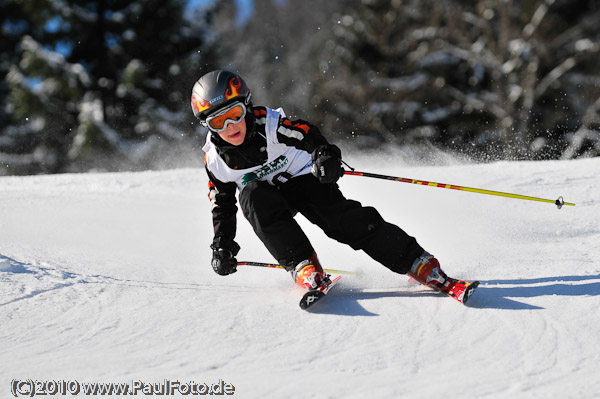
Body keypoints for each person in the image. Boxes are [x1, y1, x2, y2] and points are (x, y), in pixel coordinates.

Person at [192, 70, 453, 292]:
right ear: (208, 125)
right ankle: (303, 265)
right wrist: (222, 245)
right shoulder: (215, 161)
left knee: (341, 221)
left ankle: (416, 262)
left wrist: (324, 155)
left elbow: (307, 134)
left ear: (247, 105)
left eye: (235, 113)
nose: (230, 126)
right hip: (268, 201)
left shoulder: (269, 125)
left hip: (304, 181)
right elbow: (222, 206)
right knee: (251, 196)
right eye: (217, 121)